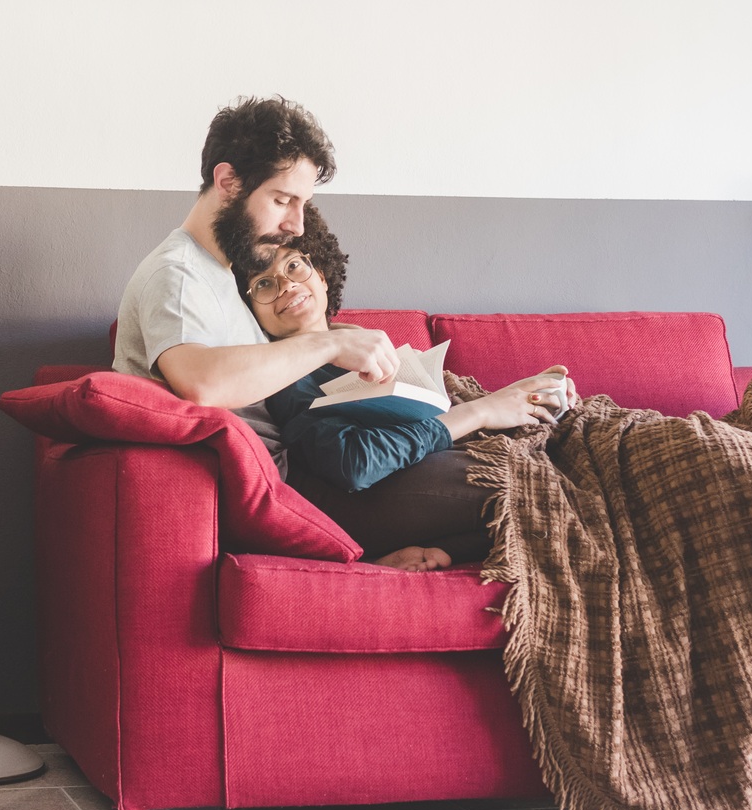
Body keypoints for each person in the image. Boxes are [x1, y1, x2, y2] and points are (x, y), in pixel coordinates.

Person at [240, 210, 570, 571]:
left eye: (293, 266)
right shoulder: (285, 378)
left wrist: (530, 396)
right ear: (252, 310)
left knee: (562, 451)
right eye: (264, 284)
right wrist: (480, 412)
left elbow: (431, 416)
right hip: (365, 498)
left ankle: (437, 551)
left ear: (319, 275)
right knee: (539, 485)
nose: (286, 285)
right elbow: (355, 463)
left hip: (417, 480)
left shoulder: (364, 345)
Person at [113, 97, 401, 474]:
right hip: (264, 485)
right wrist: (331, 345)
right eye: (282, 200)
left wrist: (342, 336)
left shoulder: (222, 272)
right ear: (228, 183)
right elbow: (201, 384)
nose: (297, 225)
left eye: (302, 204)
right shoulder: (178, 274)